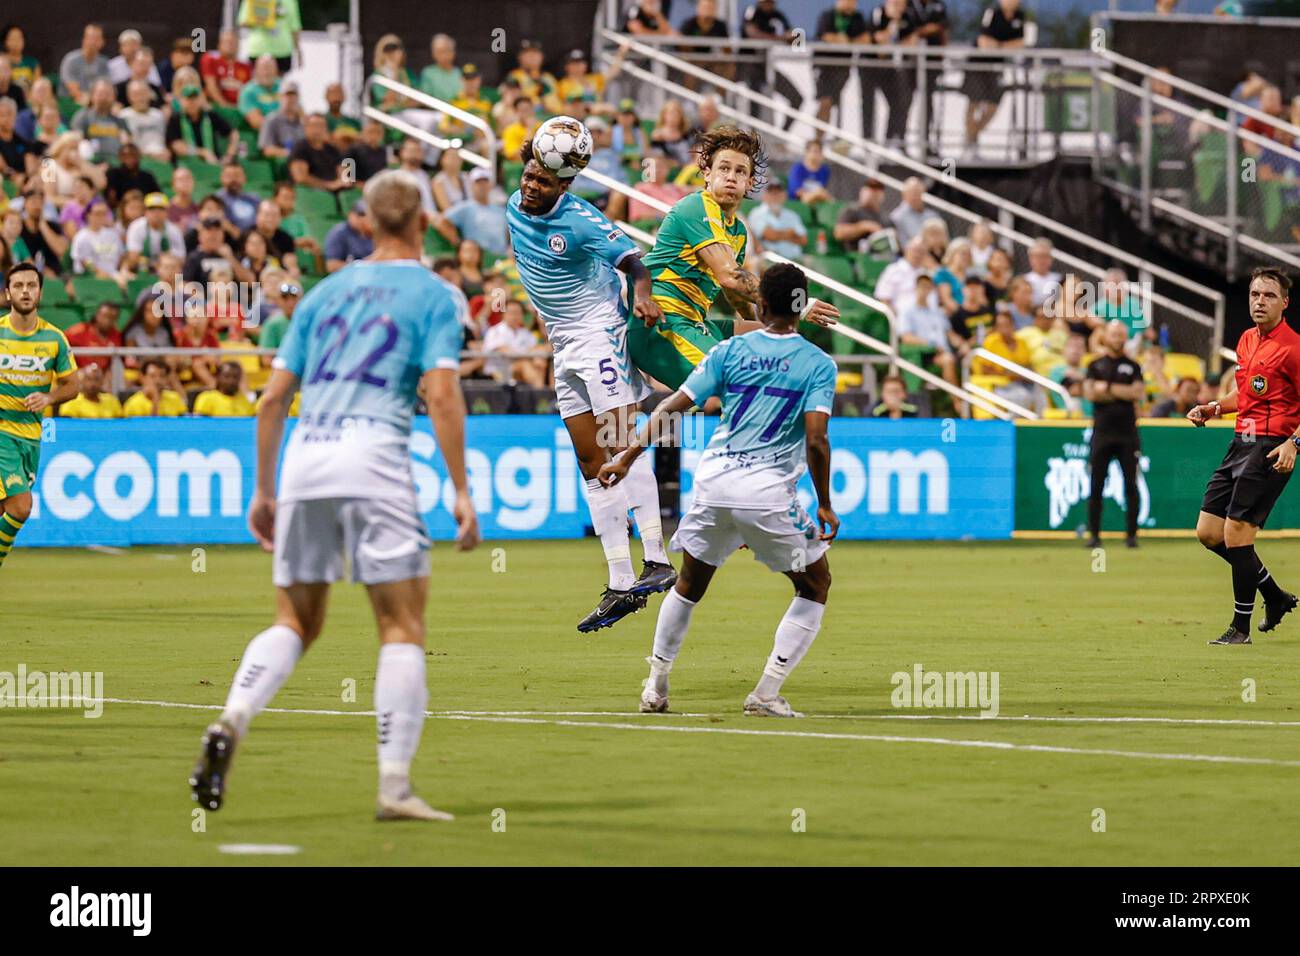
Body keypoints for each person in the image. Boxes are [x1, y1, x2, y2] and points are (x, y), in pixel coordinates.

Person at [188, 168, 480, 822]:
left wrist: (264, 489)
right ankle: (394, 787)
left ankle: (234, 714)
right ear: (423, 224)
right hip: (374, 454)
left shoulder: (324, 293)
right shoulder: (436, 295)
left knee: (295, 621)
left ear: (367, 222)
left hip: (306, 455)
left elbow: (269, 399)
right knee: (400, 625)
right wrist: (461, 490)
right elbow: (441, 394)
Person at [599, 263, 838, 718]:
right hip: (768, 493)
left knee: (690, 584)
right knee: (814, 584)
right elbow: (816, 439)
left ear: (760, 305)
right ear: (799, 307)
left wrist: (626, 457)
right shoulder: (818, 364)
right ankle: (765, 694)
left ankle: (655, 686)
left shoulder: (729, 350)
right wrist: (824, 503)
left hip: (714, 484)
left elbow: (674, 404)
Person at [508, 126, 677, 631]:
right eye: (530, 175)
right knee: (589, 460)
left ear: (565, 186)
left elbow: (635, 264)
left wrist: (641, 295)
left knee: (620, 439)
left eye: (543, 181)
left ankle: (657, 557)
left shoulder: (582, 221)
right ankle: (621, 581)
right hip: (563, 345)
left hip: (599, 333)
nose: (532, 186)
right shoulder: (513, 206)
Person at [631, 126, 838, 393]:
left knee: (784, 342)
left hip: (695, 322)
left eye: (740, 171)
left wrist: (761, 321)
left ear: (750, 182)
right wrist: (797, 306)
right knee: (738, 377)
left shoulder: (738, 230)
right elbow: (730, 275)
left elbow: (732, 288)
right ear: (707, 174)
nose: (731, 177)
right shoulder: (696, 206)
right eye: (724, 169)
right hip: (659, 323)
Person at [1187, 268, 1300, 645]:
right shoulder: (1247, 340)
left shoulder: (1294, 348)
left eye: (1268, 295)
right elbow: (1246, 395)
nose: (1259, 301)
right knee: (1208, 533)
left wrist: (1293, 444)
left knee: (1236, 535)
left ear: (1285, 302)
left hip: (1272, 448)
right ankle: (1274, 595)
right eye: (1254, 294)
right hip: (1240, 443)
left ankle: (1240, 628)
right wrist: (1214, 407)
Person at [0, 262, 79, 569]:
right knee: (21, 507)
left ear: (40, 292)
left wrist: (49, 396)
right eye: (18, 286)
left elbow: (72, 385)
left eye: (31, 286)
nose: (25, 291)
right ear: (8, 293)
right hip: (3, 432)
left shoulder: (55, 339)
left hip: (31, 437)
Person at [1083, 320, 1144, 550]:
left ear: (1125, 337)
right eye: (1113, 334)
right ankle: (1094, 535)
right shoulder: (1095, 364)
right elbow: (1090, 394)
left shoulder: (1133, 365)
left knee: (1131, 485)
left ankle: (1131, 535)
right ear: (1105, 336)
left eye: (1121, 334)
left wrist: (1106, 389)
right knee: (1096, 484)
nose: (1117, 338)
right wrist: (1121, 392)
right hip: (1102, 434)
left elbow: (1136, 392)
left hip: (1128, 434)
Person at [964, 0, 1026, 156]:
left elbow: (1021, 43)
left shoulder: (1020, 16)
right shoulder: (993, 13)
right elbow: (984, 42)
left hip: (997, 68)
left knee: (994, 105)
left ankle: (972, 137)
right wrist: (1005, 47)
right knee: (974, 103)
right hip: (976, 66)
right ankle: (969, 143)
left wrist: (999, 47)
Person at [749, 179, 807, 260]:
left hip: (795, 260)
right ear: (764, 195)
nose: (775, 196)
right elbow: (771, 235)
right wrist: (790, 233)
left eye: (778, 192)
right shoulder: (757, 213)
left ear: (785, 195)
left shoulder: (792, 215)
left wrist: (778, 235)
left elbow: (803, 239)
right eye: (771, 193)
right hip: (769, 260)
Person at [58, 23, 109, 106]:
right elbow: (74, 91)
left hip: (95, 102)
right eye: (89, 38)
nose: (92, 42)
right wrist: (91, 101)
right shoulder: (70, 60)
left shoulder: (103, 62)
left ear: (102, 42)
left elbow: (105, 86)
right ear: (84, 39)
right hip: (71, 102)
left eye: (96, 39)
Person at [201, 28, 252, 107]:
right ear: (219, 44)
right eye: (227, 42)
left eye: (233, 43)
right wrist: (225, 106)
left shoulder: (246, 66)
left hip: (240, 108)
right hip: (216, 106)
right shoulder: (210, 58)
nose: (230, 46)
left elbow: (248, 90)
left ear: (238, 45)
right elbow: (211, 86)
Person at [834, 178, 886, 253]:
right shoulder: (852, 210)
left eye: (876, 190)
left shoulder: (884, 217)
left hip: (882, 256)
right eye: (869, 189)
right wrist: (865, 226)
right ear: (862, 191)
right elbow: (839, 233)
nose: (872, 193)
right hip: (856, 258)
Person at [324, 200, 375, 272]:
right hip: (349, 279)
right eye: (359, 215)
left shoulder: (375, 232)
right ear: (350, 214)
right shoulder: (339, 232)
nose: (361, 219)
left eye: (365, 215)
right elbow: (332, 266)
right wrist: (362, 266)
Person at [788, 139, 833, 205]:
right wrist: (817, 193)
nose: (817, 154)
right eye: (814, 151)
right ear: (807, 153)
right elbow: (798, 192)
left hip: (817, 201)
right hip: (798, 202)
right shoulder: (798, 168)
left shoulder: (824, 170)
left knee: (830, 200)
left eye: (819, 151)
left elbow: (822, 188)